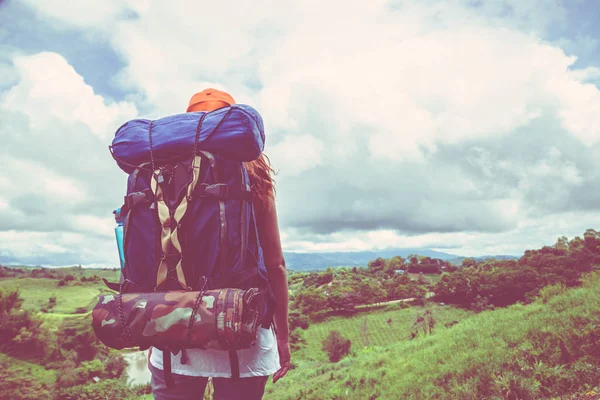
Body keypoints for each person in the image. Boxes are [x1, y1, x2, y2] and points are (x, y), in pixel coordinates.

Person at [148, 89, 291, 400]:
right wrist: (283, 335)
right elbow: (276, 263)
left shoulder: (157, 172)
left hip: (173, 332)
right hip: (243, 331)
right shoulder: (253, 174)